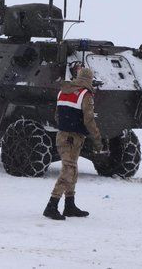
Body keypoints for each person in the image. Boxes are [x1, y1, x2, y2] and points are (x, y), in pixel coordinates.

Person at [44, 67, 103, 220]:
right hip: (73, 137)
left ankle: (69, 205)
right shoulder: (85, 94)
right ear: (89, 79)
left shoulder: (63, 91)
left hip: (63, 135)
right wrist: (97, 139)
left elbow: (57, 115)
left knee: (72, 169)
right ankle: (52, 205)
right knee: (68, 171)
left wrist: (66, 126)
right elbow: (89, 120)